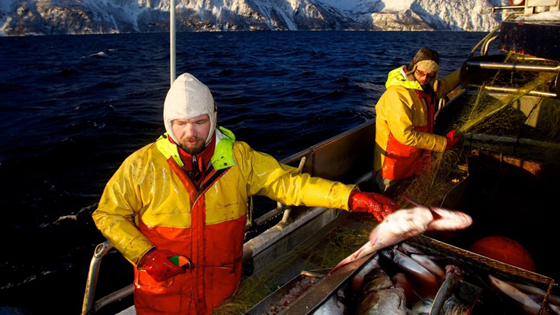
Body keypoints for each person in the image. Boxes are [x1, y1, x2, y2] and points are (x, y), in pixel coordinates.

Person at [92, 73, 399, 315]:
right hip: (161, 301)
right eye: (181, 124)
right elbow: (107, 213)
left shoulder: (240, 159)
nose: (191, 133)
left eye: (199, 122)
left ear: (213, 118)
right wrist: (145, 255)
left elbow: (289, 183)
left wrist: (352, 197)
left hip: (223, 296)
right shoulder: (141, 166)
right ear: (168, 124)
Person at [373, 47, 461, 196]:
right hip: (393, 167)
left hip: (415, 161)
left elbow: (443, 87)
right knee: (390, 201)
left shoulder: (426, 89)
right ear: (413, 69)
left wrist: (464, 72)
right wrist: (443, 143)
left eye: (429, 75)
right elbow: (405, 135)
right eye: (420, 73)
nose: (424, 78)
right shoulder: (397, 95)